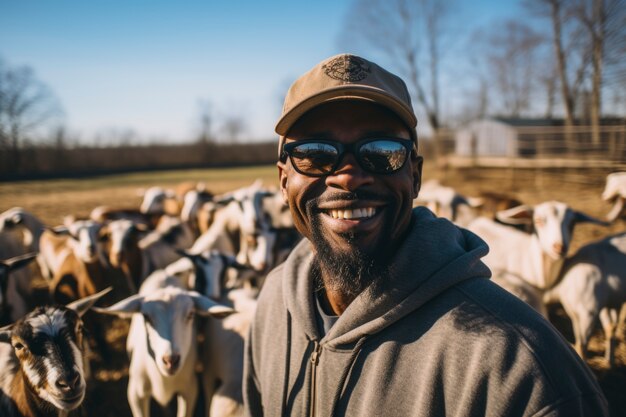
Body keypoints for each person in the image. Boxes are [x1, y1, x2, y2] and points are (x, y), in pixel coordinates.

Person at [243, 53, 608, 417]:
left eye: (382, 151)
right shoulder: (274, 304)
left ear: (415, 176)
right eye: (315, 154)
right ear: (283, 179)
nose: (348, 176)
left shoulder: (518, 369)